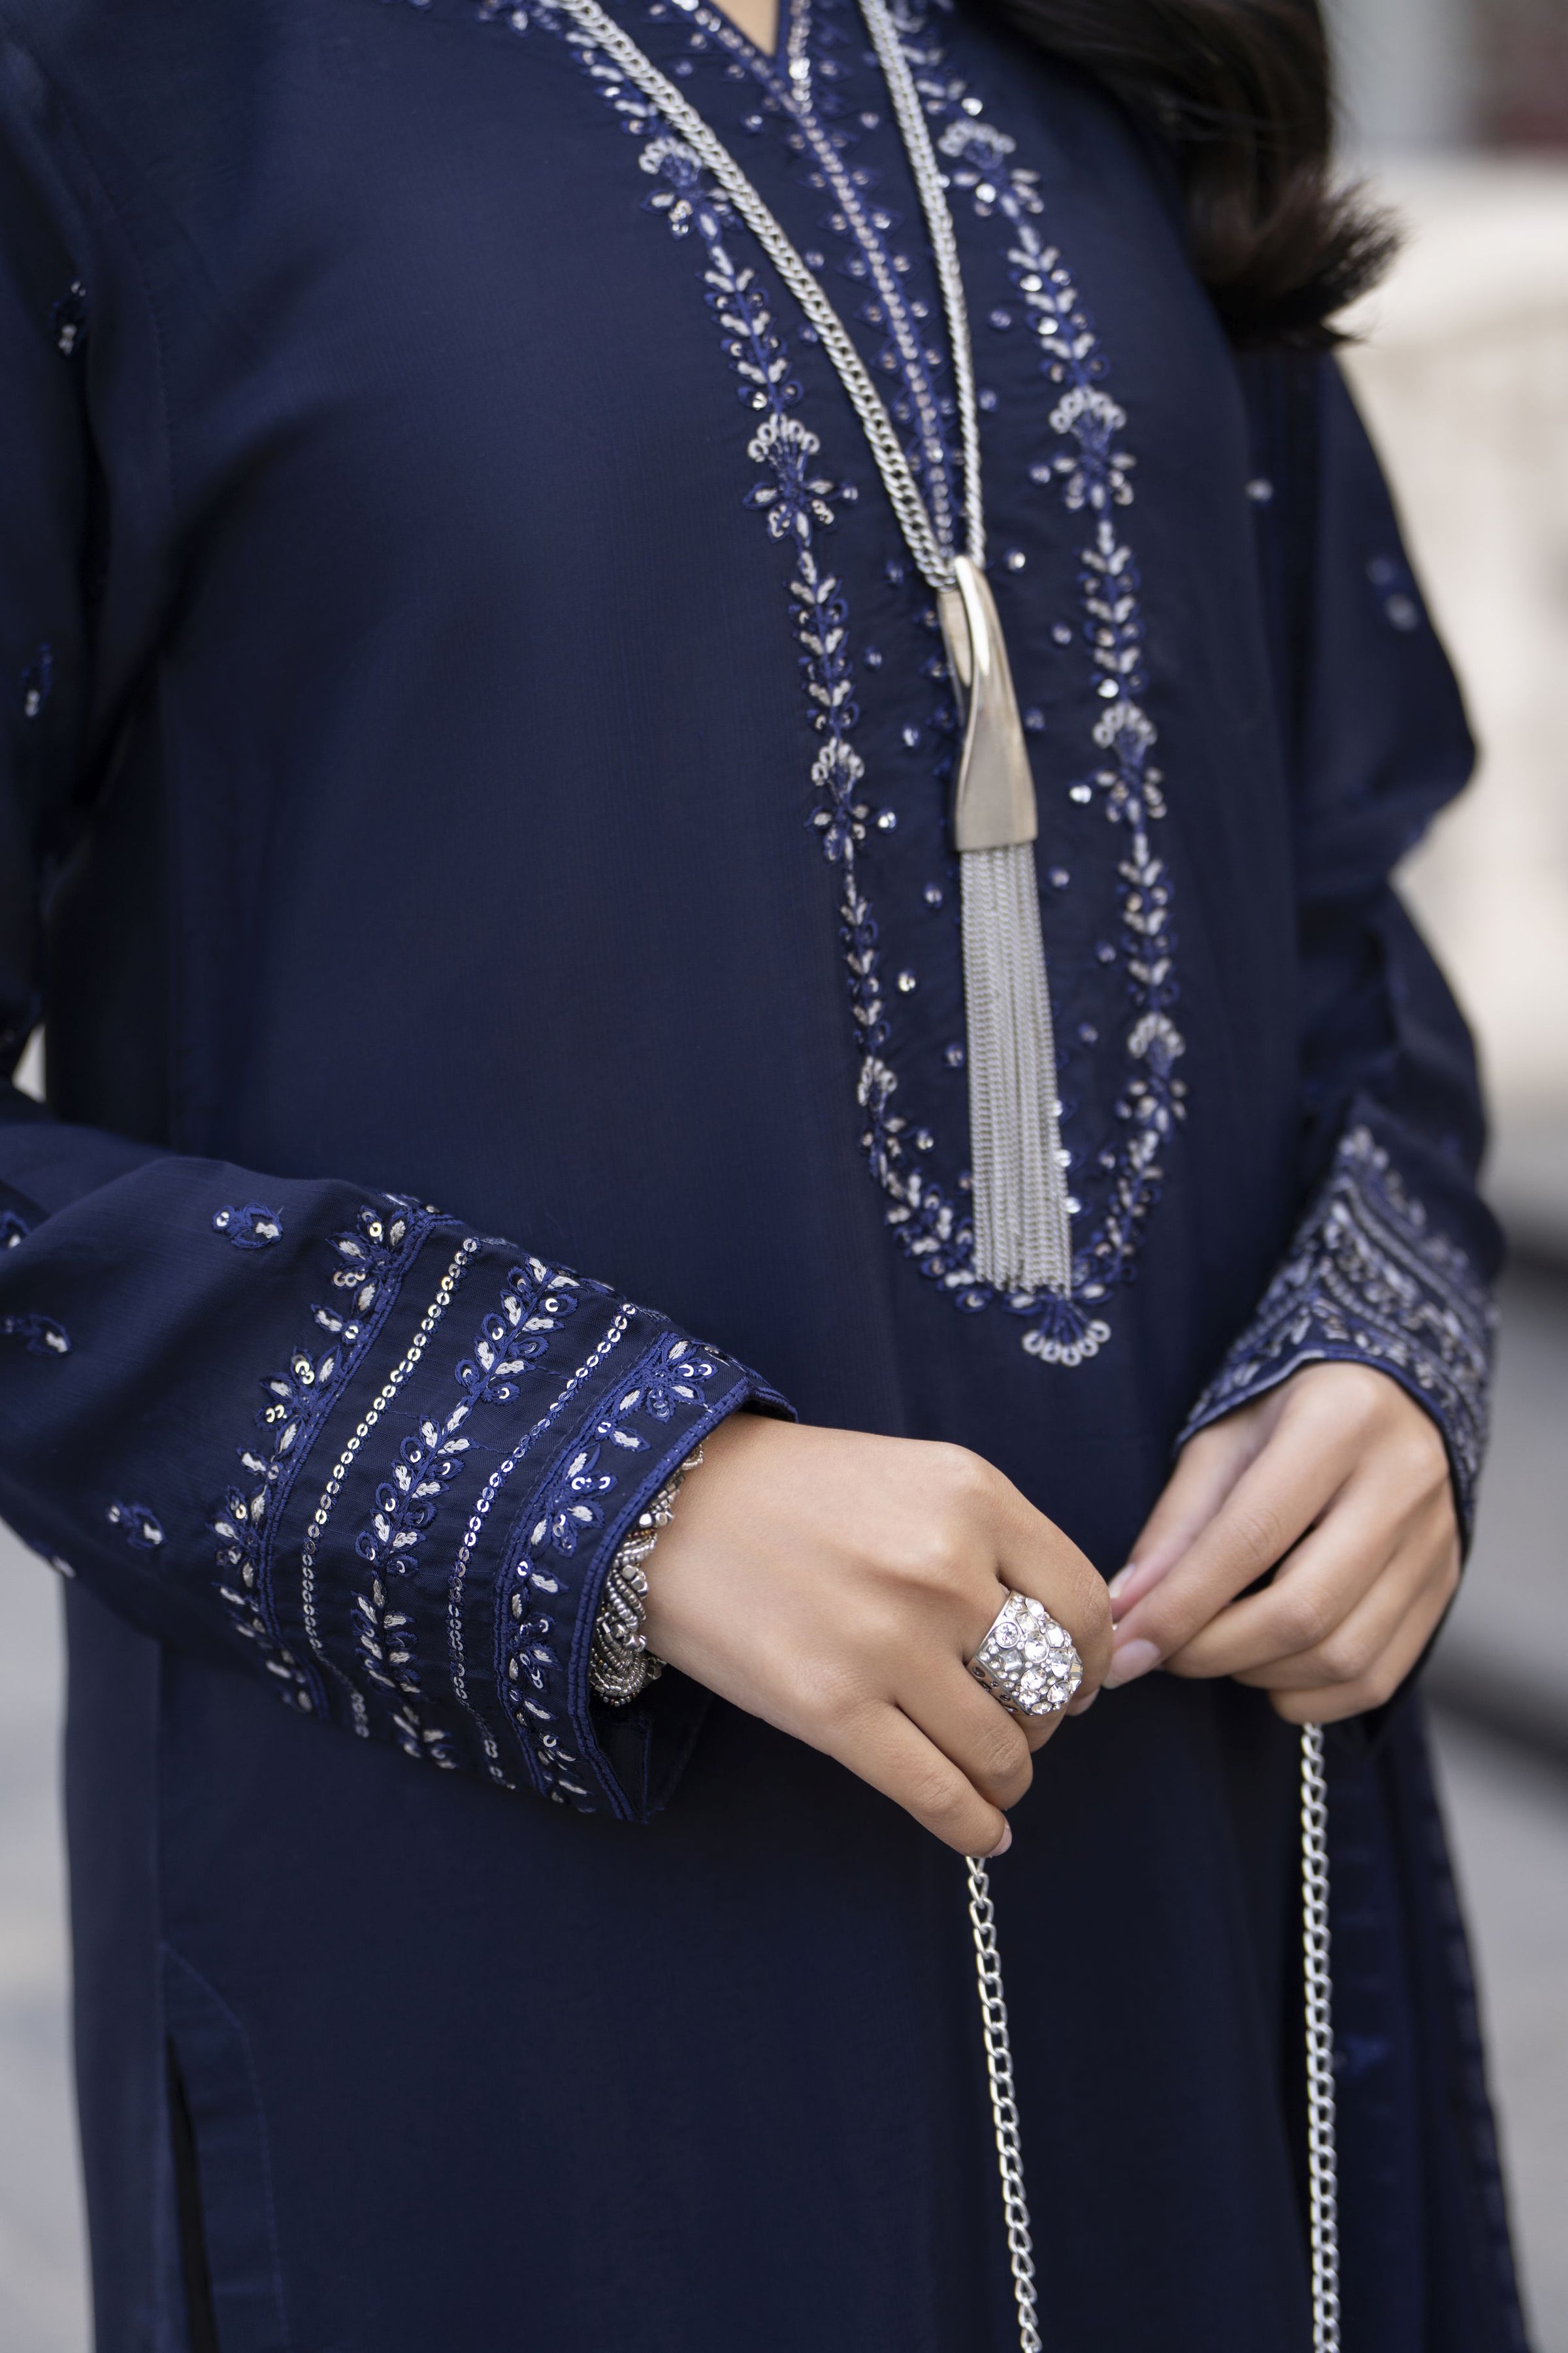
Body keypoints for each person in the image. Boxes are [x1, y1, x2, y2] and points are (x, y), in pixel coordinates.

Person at [0, 0, 1527, 2342]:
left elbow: (1325, 868)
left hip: (1219, 1842)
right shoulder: (120, 79)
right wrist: (612, 1497)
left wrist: (1390, 1346)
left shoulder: (1116, 46)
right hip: (526, 1981)